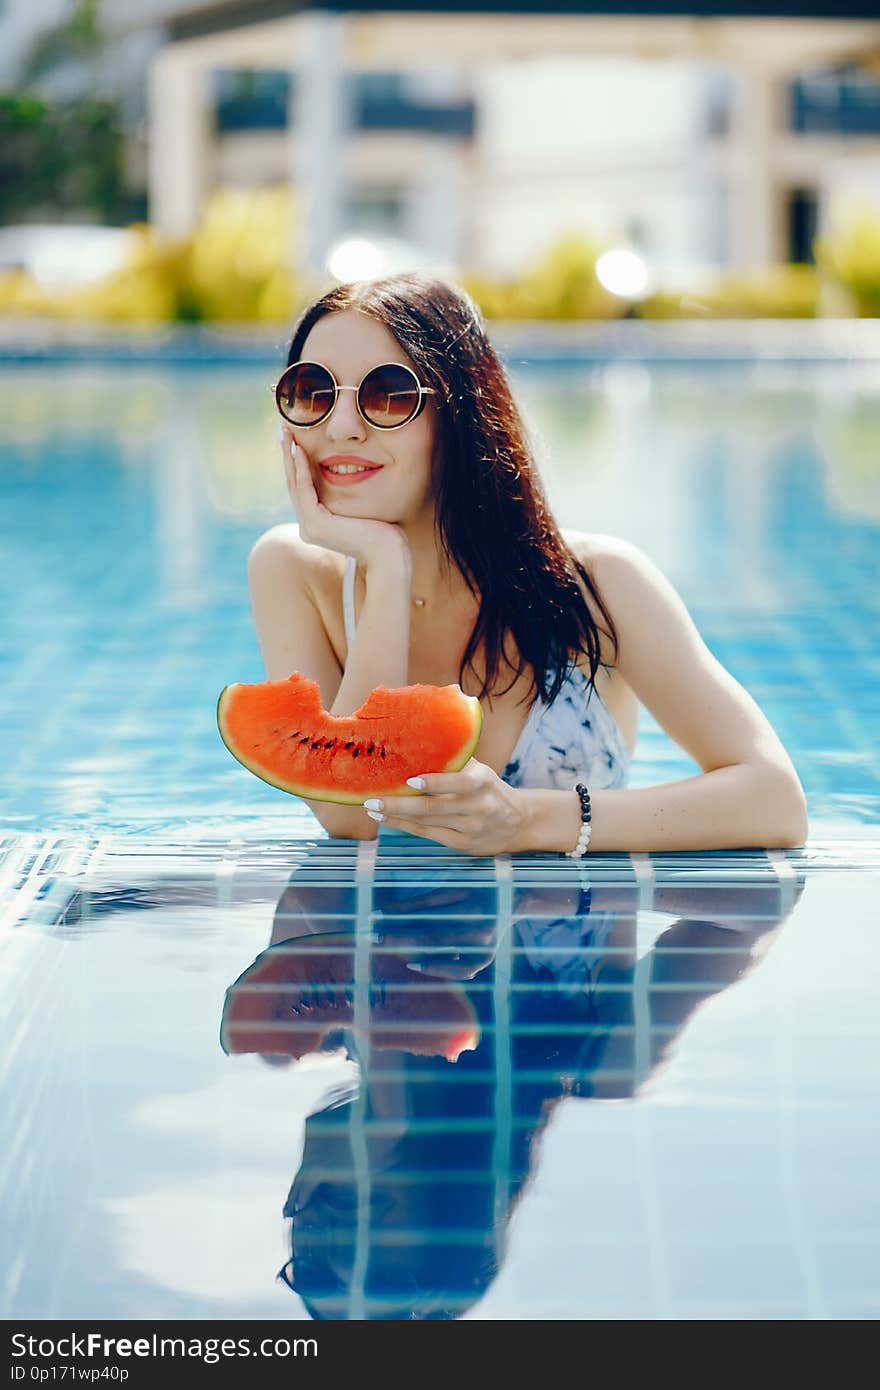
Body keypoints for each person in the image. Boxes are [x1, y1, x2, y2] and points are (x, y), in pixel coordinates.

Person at [248, 273, 808, 856]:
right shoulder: (293, 572)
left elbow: (775, 800)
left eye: (388, 394)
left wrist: (528, 821)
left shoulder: (597, 584)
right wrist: (388, 569)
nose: (341, 427)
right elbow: (350, 816)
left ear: (461, 411)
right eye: (312, 391)